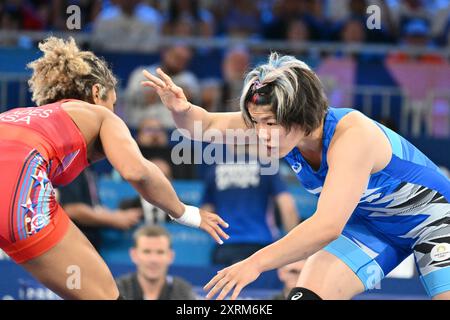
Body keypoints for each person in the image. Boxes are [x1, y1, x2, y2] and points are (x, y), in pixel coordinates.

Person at [142, 52, 450, 300]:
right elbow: (205, 126)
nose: (260, 134)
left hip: (435, 223)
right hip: (372, 226)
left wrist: (254, 264)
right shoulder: (283, 129)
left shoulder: (353, 136)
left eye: (270, 124)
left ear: (302, 115)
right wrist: (180, 109)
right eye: (256, 122)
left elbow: (327, 226)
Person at [0, 37, 228, 300]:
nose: (114, 110)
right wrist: (186, 213)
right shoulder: (100, 115)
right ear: (97, 93)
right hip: (18, 191)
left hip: (17, 186)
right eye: (114, 102)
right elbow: (138, 171)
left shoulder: (18, 115)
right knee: (106, 295)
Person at [58, 167, 143, 250]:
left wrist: (110, 214)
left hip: (89, 244)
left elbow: (91, 205)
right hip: (75, 245)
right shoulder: (73, 168)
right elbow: (72, 209)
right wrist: (114, 218)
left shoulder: (88, 169)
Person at [116, 225, 197, 300]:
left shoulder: (183, 292)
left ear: (170, 256)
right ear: (134, 255)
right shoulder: (118, 290)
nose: (153, 260)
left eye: (160, 252)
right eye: (146, 252)